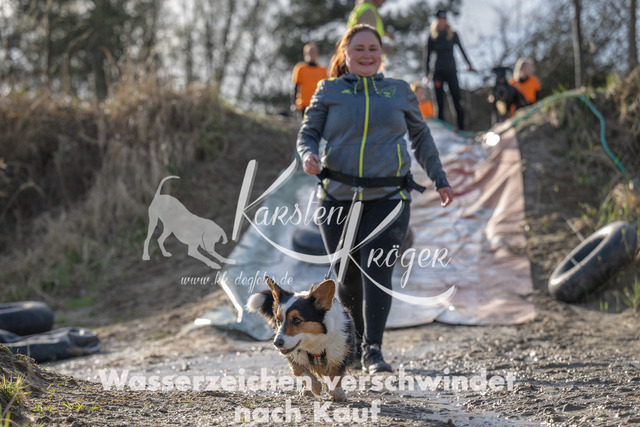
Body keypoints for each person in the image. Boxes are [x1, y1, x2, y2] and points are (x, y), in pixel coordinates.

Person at [296, 24, 454, 374]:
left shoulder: (399, 91)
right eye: (359, 49)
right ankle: (354, 345)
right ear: (345, 53)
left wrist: (439, 179)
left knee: (378, 270)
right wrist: (308, 155)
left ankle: (374, 351)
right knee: (347, 274)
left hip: (389, 196)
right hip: (337, 197)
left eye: (373, 49)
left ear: (381, 55)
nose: (367, 55)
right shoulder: (329, 90)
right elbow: (308, 133)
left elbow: (421, 138)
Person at [424, 9, 474, 130]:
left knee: (457, 101)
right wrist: (426, 74)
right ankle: (442, 129)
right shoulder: (432, 37)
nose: (442, 21)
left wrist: (469, 64)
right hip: (438, 73)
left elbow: (461, 50)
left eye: (444, 19)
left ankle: (461, 129)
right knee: (440, 104)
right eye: (440, 19)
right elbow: (427, 57)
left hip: (451, 71)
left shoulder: (453, 34)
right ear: (436, 21)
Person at [291, 43, 328, 116]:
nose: (312, 54)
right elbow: (295, 87)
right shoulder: (300, 68)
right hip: (304, 105)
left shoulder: (323, 70)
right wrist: (293, 103)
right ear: (305, 54)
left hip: (319, 105)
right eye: (310, 52)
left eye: (314, 52)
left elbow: (326, 88)